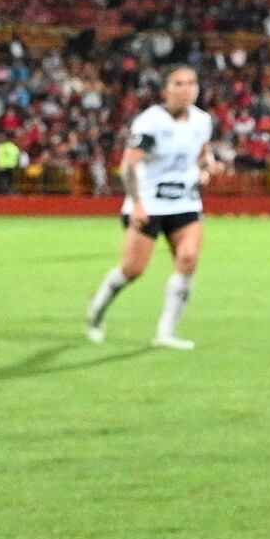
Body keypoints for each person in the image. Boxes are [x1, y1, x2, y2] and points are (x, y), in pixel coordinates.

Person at [86, 64, 223, 349]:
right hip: (149, 204)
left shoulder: (202, 121)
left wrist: (208, 166)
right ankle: (97, 311)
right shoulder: (150, 122)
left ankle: (166, 333)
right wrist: (137, 205)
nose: (187, 89)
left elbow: (201, 153)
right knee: (133, 270)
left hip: (185, 202)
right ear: (166, 91)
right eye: (179, 84)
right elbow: (129, 165)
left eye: (191, 83)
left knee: (188, 261)